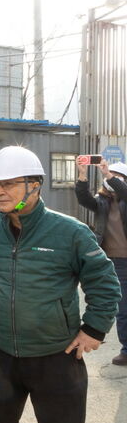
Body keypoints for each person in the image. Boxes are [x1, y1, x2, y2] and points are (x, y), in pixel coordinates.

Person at [0, 146, 121, 423]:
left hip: (56, 356)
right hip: (0, 353)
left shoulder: (70, 231)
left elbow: (104, 282)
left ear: (35, 185)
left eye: (8, 184)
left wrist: (94, 330)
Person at [74, 157, 127, 366]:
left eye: (118, 176)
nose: (112, 179)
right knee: (123, 309)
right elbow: (83, 199)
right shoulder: (102, 201)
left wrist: (107, 174)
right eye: (110, 175)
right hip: (115, 262)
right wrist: (82, 174)